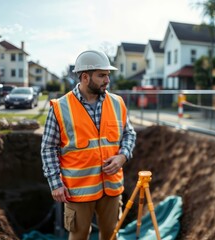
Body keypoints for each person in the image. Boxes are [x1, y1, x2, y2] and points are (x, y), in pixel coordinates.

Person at [41, 50, 136, 240]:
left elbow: (129, 133)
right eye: (101, 75)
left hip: (111, 188)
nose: (107, 80)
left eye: (108, 75)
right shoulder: (61, 107)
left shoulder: (117, 102)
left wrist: (122, 156)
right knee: (79, 236)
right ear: (85, 77)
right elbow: (48, 148)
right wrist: (55, 184)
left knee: (110, 235)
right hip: (78, 190)